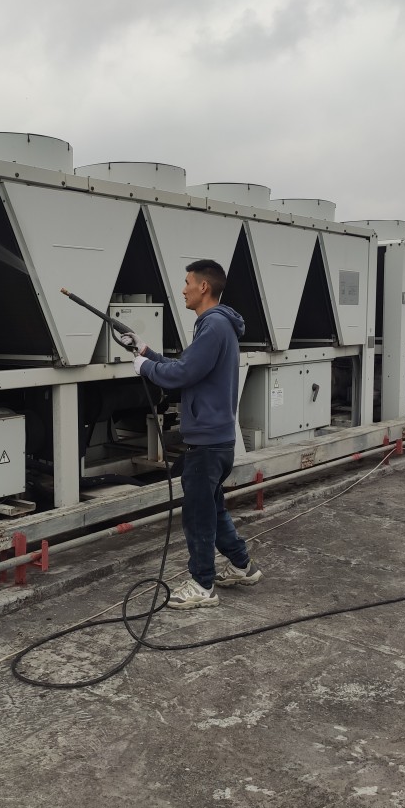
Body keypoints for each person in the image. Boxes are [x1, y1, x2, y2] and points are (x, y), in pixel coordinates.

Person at [119, 259, 262, 609]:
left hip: (207, 442)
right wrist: (145, 352)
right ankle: (242, 566)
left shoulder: (213, 325)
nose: (183, 290)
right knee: (212, 509)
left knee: (198, 516)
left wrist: (145, 368)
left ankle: (202, 585)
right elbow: (188, 367)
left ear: (204, 287)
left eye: (187, 283)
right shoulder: (215, 325)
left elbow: (181, 375)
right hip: (217, 439)